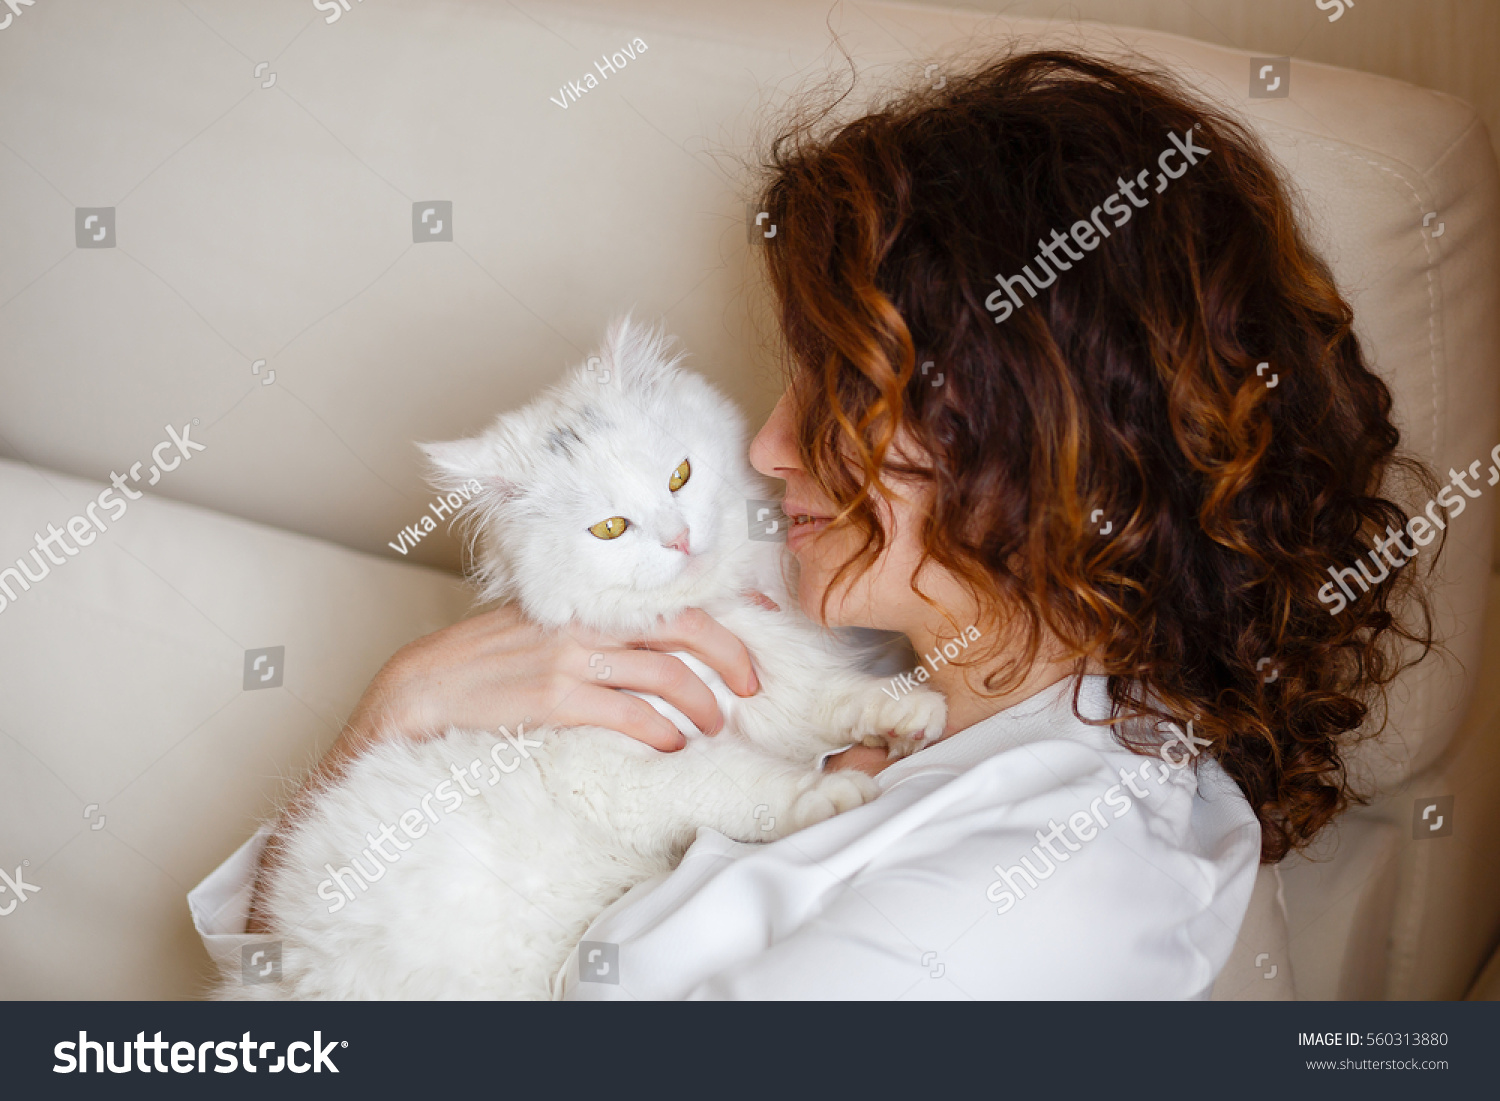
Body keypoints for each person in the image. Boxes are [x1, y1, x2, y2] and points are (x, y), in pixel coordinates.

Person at [190, 49, 1435, 998]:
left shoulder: (1056, 889)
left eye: (841, 397)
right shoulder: (883, 654)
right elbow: (289, 984)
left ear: (1032, 440)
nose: (765, 449)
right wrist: (394, 718)